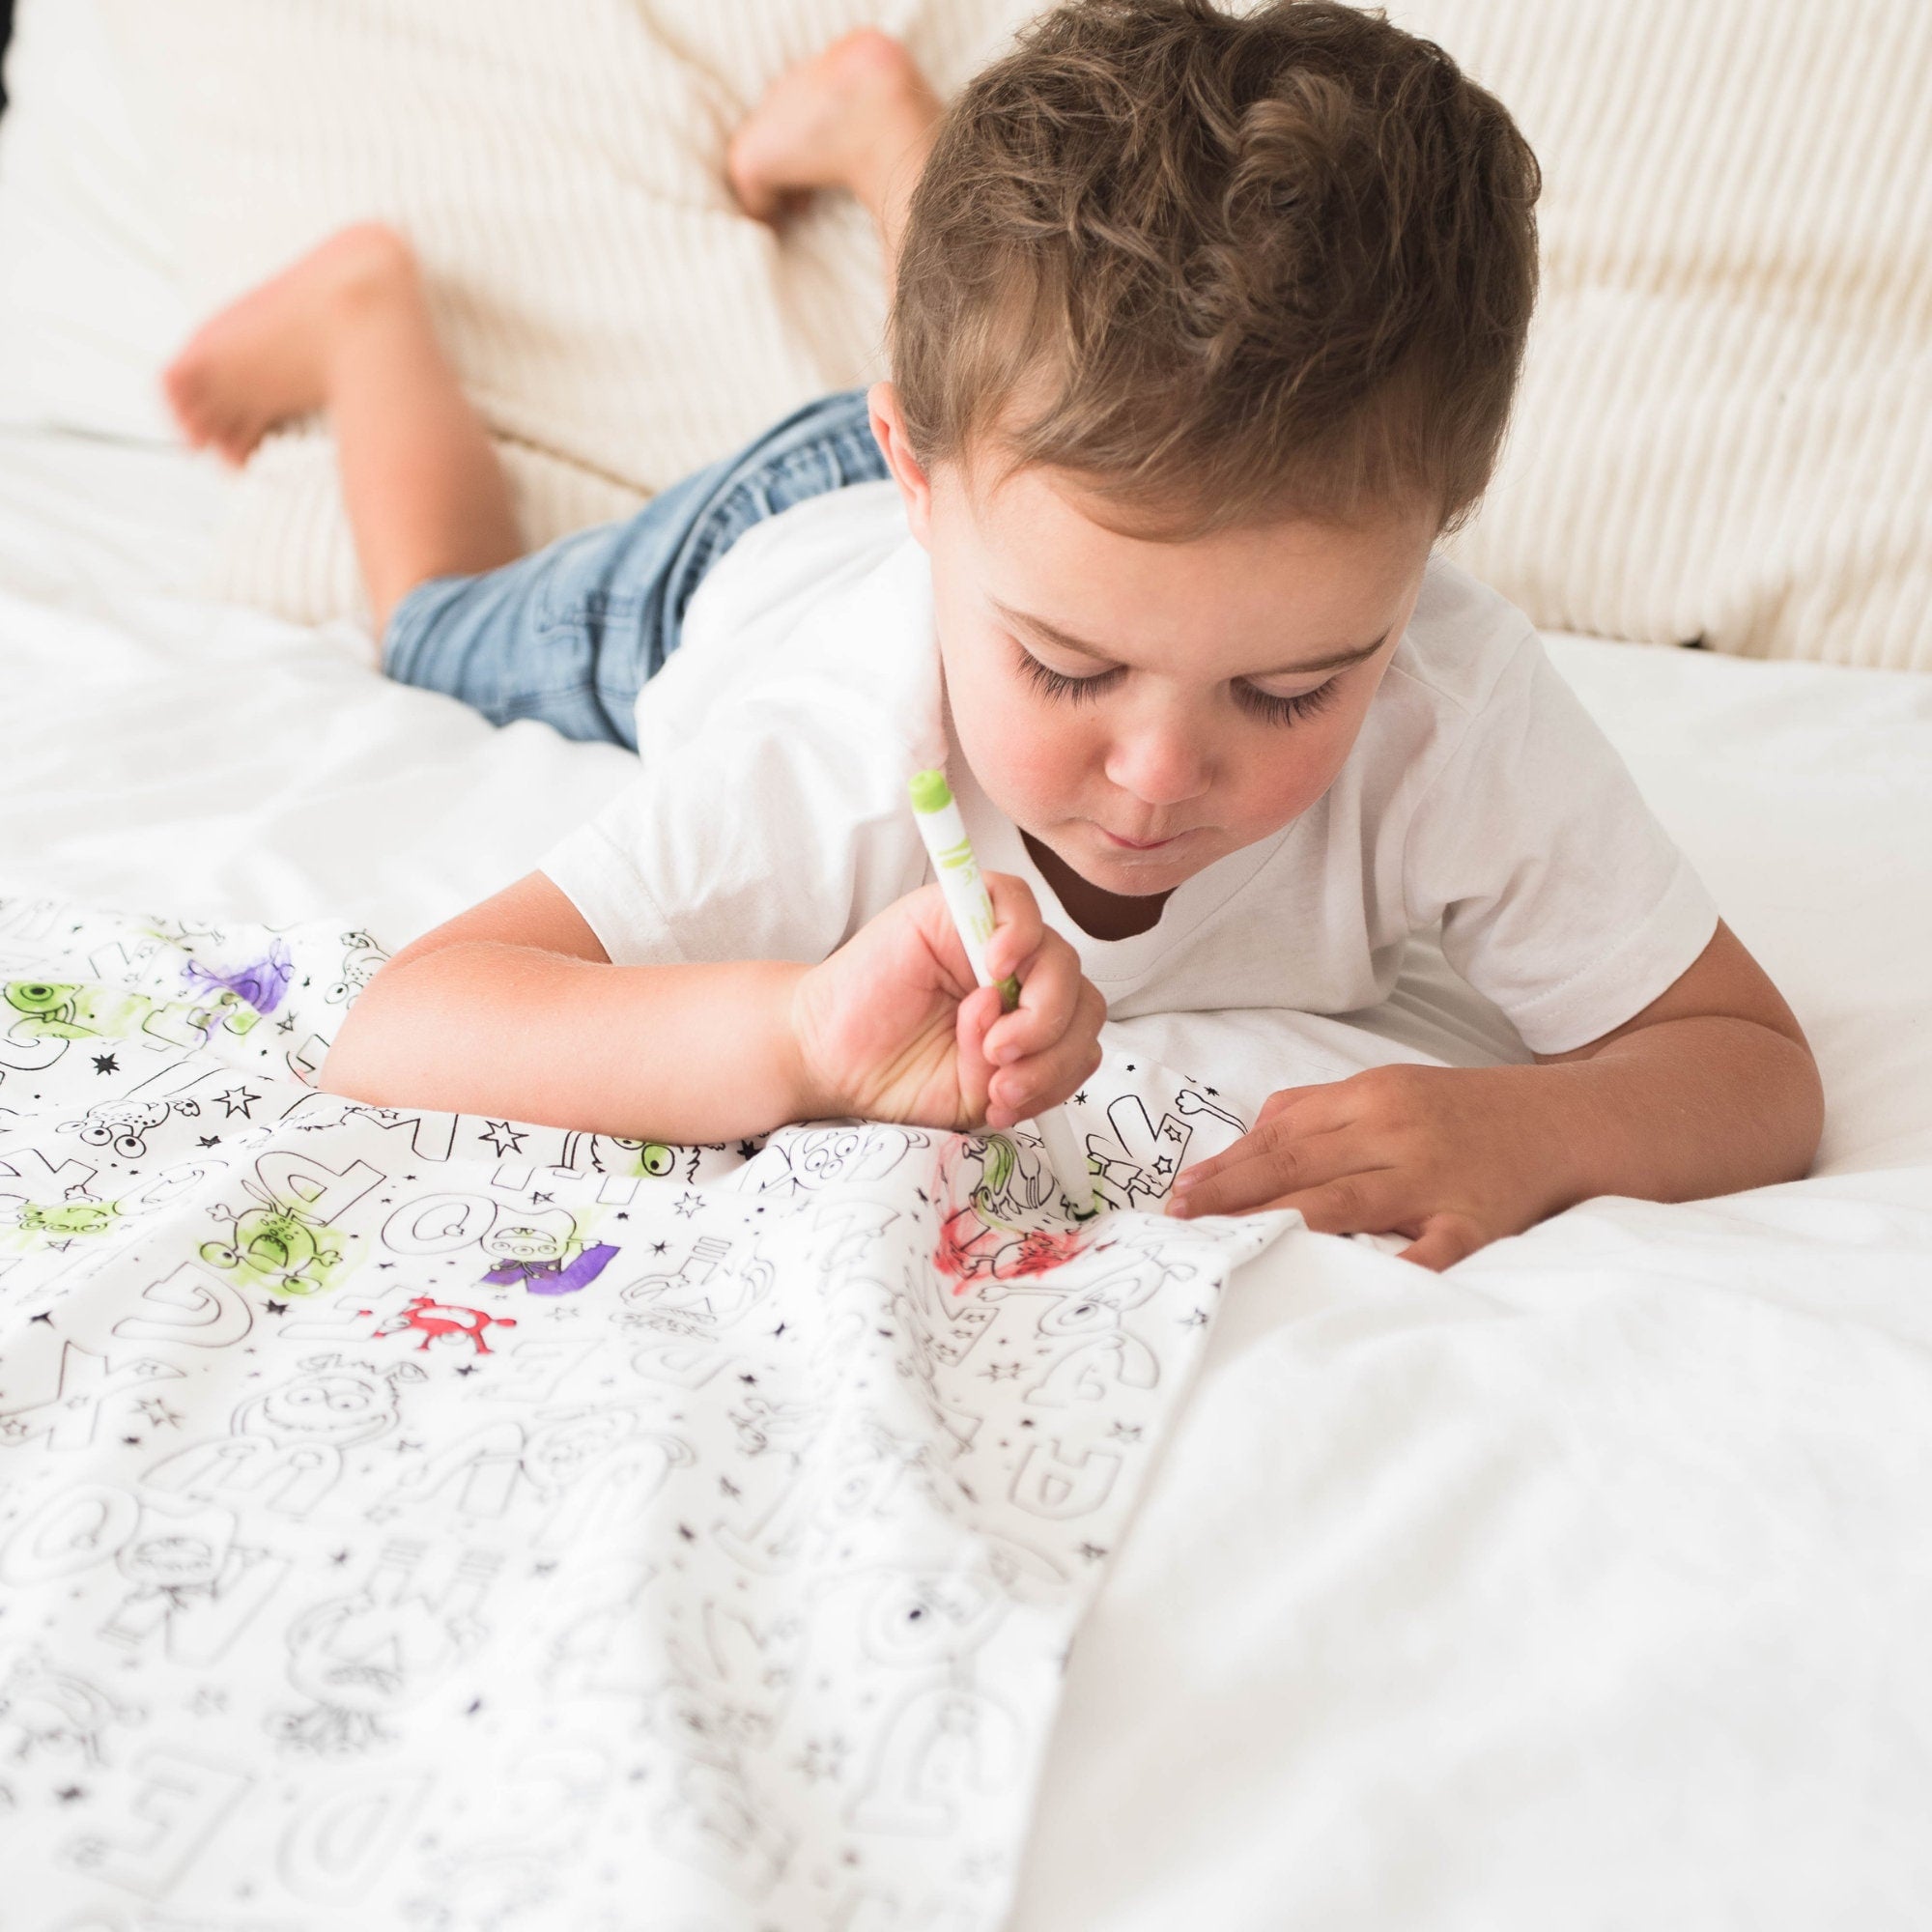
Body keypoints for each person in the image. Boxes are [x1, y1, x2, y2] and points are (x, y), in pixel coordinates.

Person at [161, 1, 1823, 1271]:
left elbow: (1747, 1063)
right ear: (918, 480)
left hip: (1008, 454)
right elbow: (407, 1021)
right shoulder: (829, 746)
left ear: (1435, 541)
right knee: (439, 624)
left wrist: (1538, 1126)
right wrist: (796, 1032)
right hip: (752, 543)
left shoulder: (1450, 700)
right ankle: (363, 320)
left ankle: (891, 136)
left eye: (1289, 690)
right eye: (1067, 671)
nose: (1159, 773)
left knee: (1036, 351)